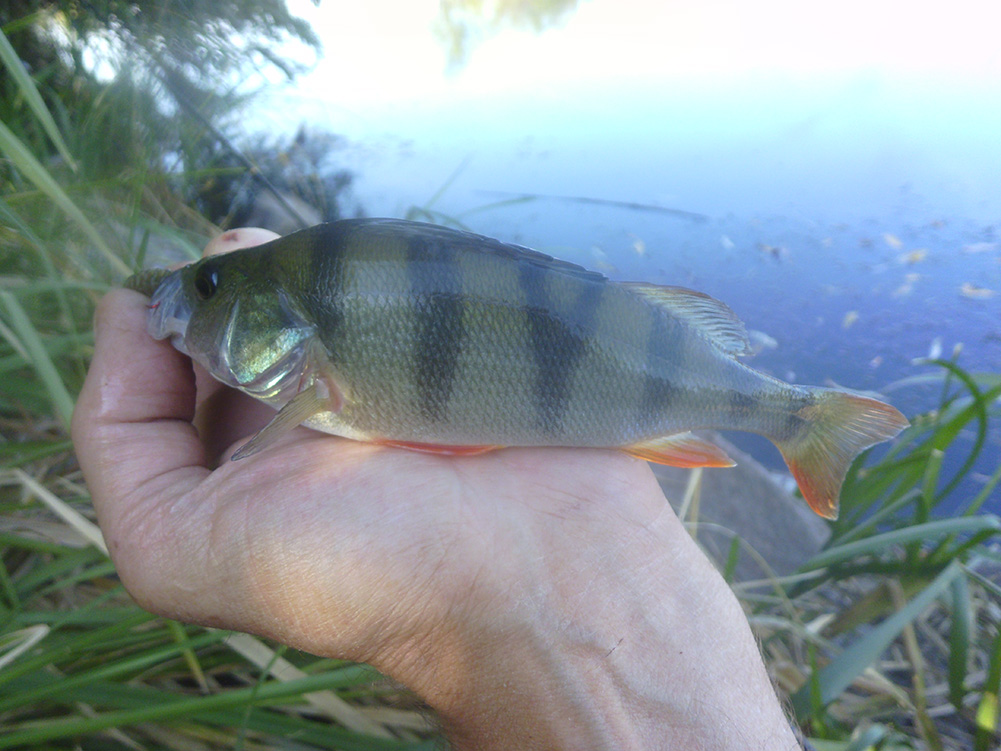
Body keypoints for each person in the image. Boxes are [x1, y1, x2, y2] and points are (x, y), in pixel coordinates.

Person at [72, 228, 806, 750]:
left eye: (209, 289)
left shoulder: (307, 358)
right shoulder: (307, 329)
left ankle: (800, 422)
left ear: (282, 323)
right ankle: (798, 419)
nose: (190, 298)